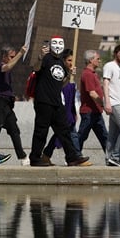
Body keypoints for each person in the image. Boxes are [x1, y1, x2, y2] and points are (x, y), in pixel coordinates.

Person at [27, 35, 90, 167]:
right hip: (43, 101)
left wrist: (69, 75)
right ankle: (35, 158)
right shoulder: (46, 58)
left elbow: (60, 83)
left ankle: (72, 157)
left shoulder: (61, 62)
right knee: (41, 131)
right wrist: (40, 57)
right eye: (55, 43)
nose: (57, 46)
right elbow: (36, 69)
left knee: (64, 130)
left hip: (56, 102)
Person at [0, 45, 30, 166]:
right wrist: (20, 53)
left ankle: (22, 156)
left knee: (14, 130)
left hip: (7, 105)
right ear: (4, 56)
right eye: (11, 56)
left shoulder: (7, 71)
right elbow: (8, 66)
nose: (13, 59)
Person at [41, 49, 80, 164]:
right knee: (64, 132)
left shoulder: (70, 75)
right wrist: (68, 76)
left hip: (68, 109)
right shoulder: (59, 72)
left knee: (64, 132)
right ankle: (76, 155)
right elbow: (60, 87)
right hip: (58, 107)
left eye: (73, 61)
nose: (71, 63)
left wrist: (74, 111)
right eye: (69, 60)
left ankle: (48, 154)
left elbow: (73, 97)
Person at [77, 49, 108, 154]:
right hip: (89, 112)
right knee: (82, 135)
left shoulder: (93, 74)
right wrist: (104, 104)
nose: (99, 61)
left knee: (104, 136)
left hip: (96, 111)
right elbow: (92, 93)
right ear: (91, 60)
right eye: (97, 59)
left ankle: (112, 157)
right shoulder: (88, 74)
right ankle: (74, 155)